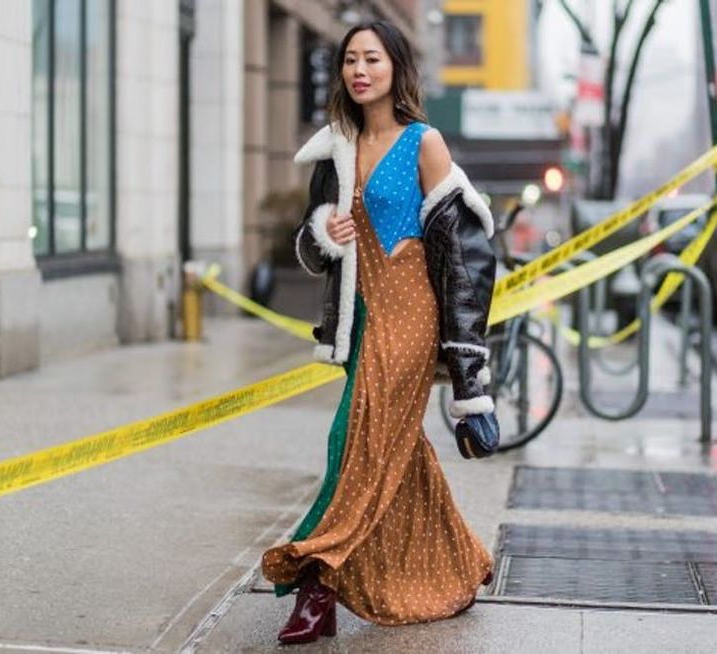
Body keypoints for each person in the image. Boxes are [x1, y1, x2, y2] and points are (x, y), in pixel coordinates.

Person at [260, 20, 498, 645]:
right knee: (396, 452)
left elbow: (466, 259)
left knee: (353, 442)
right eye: (349, 60)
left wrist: (471, 379)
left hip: (412, 317)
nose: (359, 70)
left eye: (372, 59)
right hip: (357, 321)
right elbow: (308, 254)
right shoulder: (333, 148)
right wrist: (321, 235)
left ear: (395, 67)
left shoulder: (426, 144)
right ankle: (458, 565)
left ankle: (316, 586)